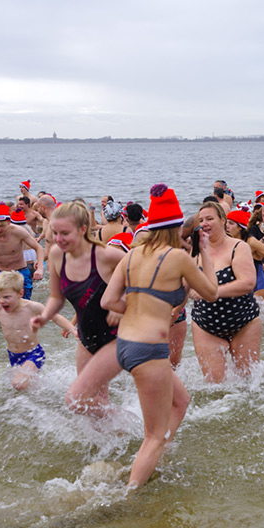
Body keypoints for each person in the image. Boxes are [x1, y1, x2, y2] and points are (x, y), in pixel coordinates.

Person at [101, 184, 220, 490]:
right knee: (154, 434)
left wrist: (140, 310)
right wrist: (205, 249)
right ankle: (126, 498)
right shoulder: (178, 258)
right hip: (149, 349)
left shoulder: (132, 254)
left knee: (181, 402)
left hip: (126, 346)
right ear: (174, 227)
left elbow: (108, 301)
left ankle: (152, 460)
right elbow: (211, 292)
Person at [34, 200, 125, 418]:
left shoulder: (106, 255)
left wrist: (122, 302)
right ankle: (111, 441)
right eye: (55, 233)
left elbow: (143, 276)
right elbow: (56, 297)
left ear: (83, 229)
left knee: (76, 400)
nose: (58, 239)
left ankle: (128, 425)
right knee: (94, 402)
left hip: (116, 338)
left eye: (65, 233)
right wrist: (45, 316)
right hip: (87, 338)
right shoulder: (56, 255)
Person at [0, 270, 75, 390]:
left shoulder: (32, 307)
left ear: (20, 293)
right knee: (28, 389)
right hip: (13, 355)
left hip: (33, 353)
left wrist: (72, 329)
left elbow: (55, 317)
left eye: (7, 297)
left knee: (18, 384)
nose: (2, 301)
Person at [191, 200, 261, 381]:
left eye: (209, 218)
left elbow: (247, 283)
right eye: (201, 220)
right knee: (215, 387)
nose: (204, 223)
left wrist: (211, 292)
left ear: (223, 220)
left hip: (244, 322)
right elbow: (184, 286)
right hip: (205, 325)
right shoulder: (194, 252)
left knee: (248, 382)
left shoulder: (239, 247)